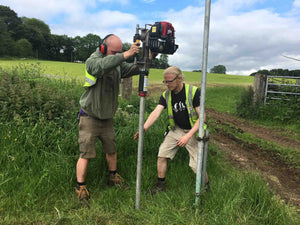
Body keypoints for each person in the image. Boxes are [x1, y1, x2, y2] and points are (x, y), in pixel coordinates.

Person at [76, 34, 140, 206]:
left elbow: (133, 69)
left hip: (107, 118)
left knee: (111, 149)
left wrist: (149, 56)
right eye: (114, 52)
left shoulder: (117, 64)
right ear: (103, 48)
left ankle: (113, 177)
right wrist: (125, 54)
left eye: (119, 52)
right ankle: (80, 187)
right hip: (89, 116)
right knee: (86, 153)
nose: (117, 55)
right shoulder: (93, 60)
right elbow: (99, 67)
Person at [134, 66, 209, 194]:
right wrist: (144, 127)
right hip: (176, 130)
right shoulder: (166, 95)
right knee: (162, 155)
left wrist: (187, 136)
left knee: (197, 165)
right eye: (165, 82)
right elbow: (156, 112)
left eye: (170, 81)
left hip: (194, 131)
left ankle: (206, 187)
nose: (167, 84)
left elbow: (203, 118)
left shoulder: (193, 91)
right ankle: (160, 186)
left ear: (179, 78)